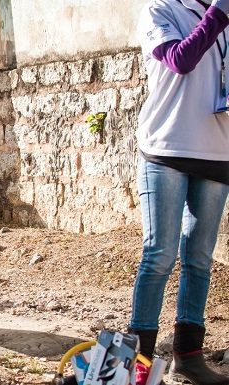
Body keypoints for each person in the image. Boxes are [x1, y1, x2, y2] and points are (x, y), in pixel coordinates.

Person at [132, 0, 229, 384]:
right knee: (159, 254)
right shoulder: (161, 10)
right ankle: (137, 364)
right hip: (166, 149)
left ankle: (188, 357)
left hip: (218, 150)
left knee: (200, 259)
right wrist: (218, 15)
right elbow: (179, 59)